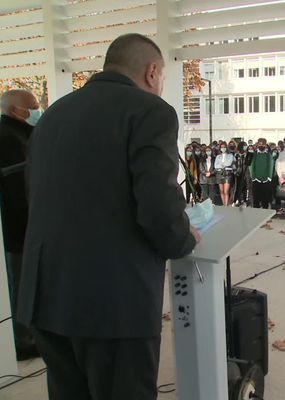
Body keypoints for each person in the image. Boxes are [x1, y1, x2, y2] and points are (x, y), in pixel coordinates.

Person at [17, 34, 201, 399]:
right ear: (152, 72)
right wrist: (182, 238)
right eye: (162, 77)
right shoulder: (150, 111)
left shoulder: (54, 114)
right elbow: (158, 204)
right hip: (111, 304)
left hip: (46, 297)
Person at [0, 89, 41, 361]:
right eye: (33, 107)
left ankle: (28, 335)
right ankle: (22, 341)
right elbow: (19, 191)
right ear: (15, 110)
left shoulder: (20, 135)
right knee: (20, 285)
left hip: (25, 228)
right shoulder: (7, 138)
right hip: (18, 229)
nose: (38, 111)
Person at [250, 138, 275, 209]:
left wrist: (269, 178)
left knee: (265, 199)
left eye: (263, 144)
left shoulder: (268, 155)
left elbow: (271, 166)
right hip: (256, 179)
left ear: (265, 145)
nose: (261, 145)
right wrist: (253, 177)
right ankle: (257, 216)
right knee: (256, 199)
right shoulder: (253, 154)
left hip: (266, 180)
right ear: (257, 144)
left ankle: (265, 215)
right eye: (259, 144)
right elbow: (251, 166)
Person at [234, 141, 252, 206]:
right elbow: (234, 164)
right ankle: (238, 200)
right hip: (238, 173)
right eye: (243, 146)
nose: (245, 147)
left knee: (246, 187)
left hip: (246, 173)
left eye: (245, 146)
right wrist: (235, 172)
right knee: (238, 187)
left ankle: (246, 200)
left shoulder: (249, 154)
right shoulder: (236, 155)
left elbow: (249, 164)